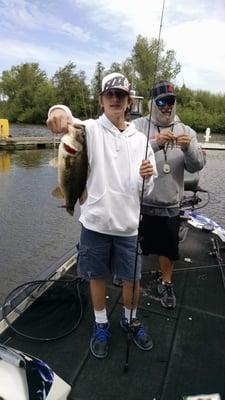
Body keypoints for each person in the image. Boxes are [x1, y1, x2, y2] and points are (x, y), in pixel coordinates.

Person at [47, 72, 157, 359]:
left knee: (133, 280)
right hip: (94, 223)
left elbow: (145, 191)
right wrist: (57, 112)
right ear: (101, 100)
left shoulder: (141, 140)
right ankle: (100, 324)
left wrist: (147, 178)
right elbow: (64, 118)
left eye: (120, 95)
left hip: (129, 227)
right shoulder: (91, 130)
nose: (115, 99)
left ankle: (130, 319)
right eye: (110, 94)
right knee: (96, 277)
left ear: (128, 101)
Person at [133, 80, 206, 309]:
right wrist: (154, 143)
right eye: (162, 101)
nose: (167, 106)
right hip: (139, 202)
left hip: (170, 203)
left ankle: (166, 283)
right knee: (134, 245)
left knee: (168, 249)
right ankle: (128, 274)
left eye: (171, 101)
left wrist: (189, 148)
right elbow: (125, 159)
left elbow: (196, 166)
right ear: (153, 103)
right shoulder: (136, 127)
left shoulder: (187, 131)